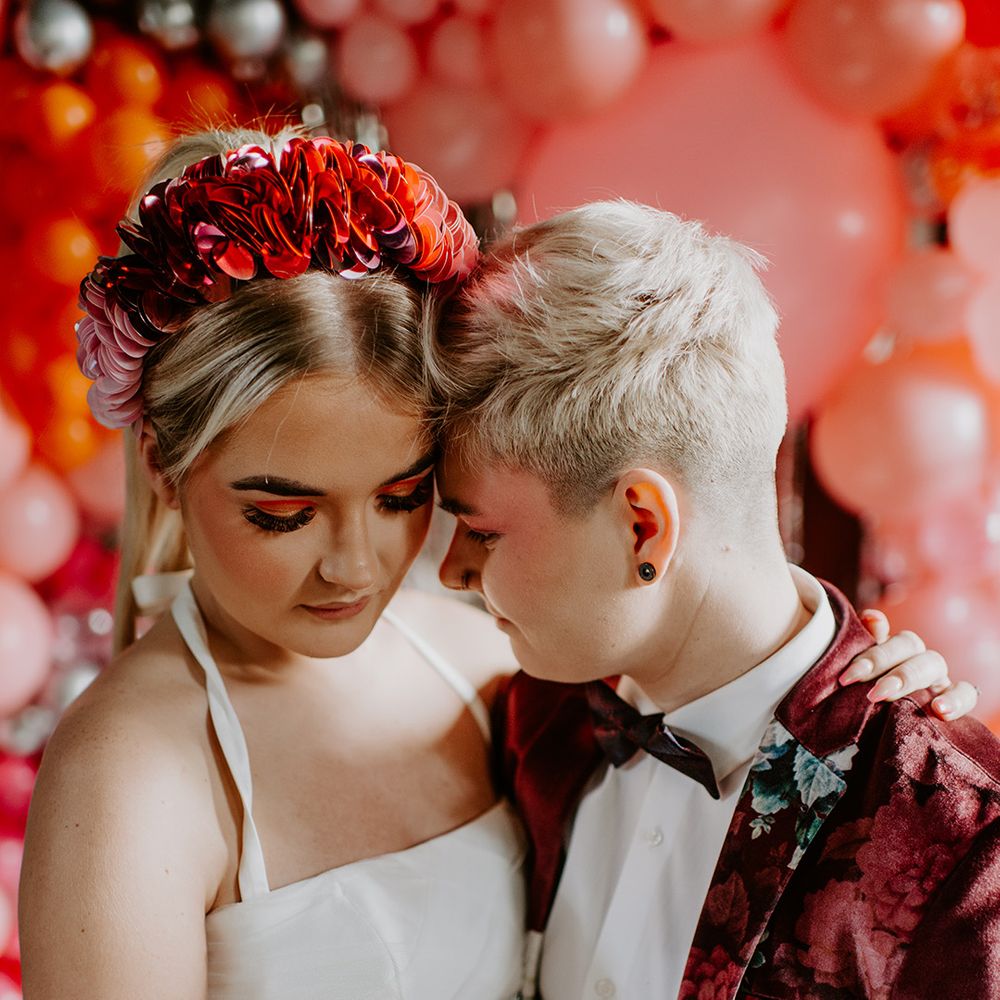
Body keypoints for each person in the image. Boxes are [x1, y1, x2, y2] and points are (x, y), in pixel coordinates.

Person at [17, 130, 973, 1000]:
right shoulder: (128, 774)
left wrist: (863, 689)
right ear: (165, 471)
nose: (360, 566)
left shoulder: (507, 679)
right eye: (282, 513)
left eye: (402, 497)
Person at [428, 201, 999, 1000]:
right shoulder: (540, 718)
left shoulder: (963, 849)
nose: (451, 571)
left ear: (642, 527)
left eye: (481, 532)